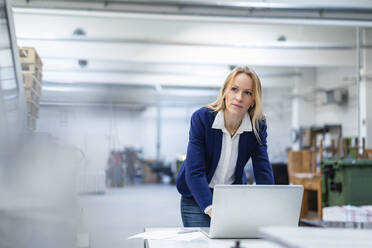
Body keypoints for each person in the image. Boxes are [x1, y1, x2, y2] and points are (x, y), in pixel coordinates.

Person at [176, 66, 274, 227]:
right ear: (225, 92)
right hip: (196, 196)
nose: (239, 97)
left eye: (247, 93)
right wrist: (210, 208)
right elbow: (194, 171)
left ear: (253, 100)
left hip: (231, 196)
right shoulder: (202, 118)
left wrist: (268, 205)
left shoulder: (258, 125)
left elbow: (262, 170)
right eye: (234, 89)